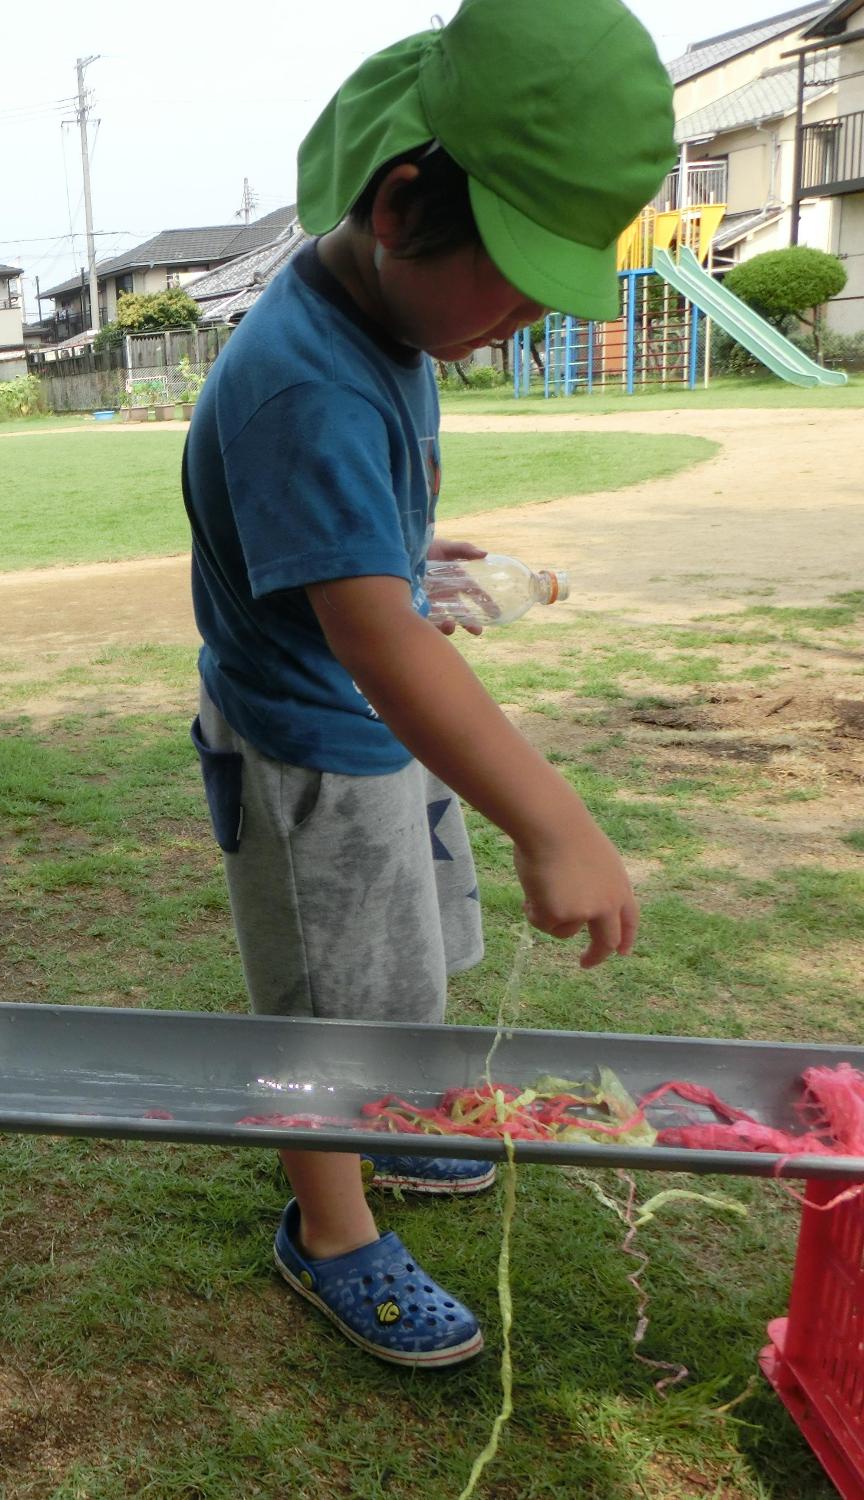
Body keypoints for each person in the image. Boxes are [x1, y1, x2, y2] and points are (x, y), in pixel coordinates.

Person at [181, 0, 662, 1367]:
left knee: (399, 973)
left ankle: (384, 1123)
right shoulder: (307, 385)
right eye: (512, 281)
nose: (517, 323)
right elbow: (376, 646)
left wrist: (391, 550)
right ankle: (327, 1228)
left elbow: (357, 567)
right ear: (402, 205)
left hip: (370, 734)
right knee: (329, 1007)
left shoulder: (386, 327)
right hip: (316, 750)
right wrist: (552, 819)